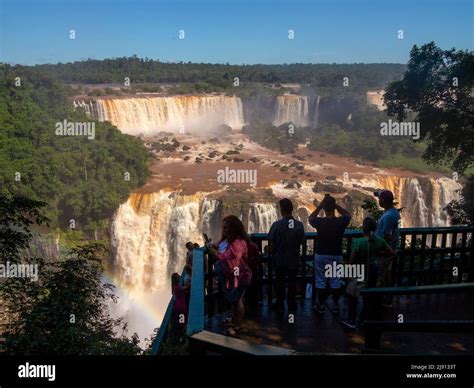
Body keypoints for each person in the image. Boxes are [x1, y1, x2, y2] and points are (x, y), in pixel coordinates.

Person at [342, 217, 394, 329]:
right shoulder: (380, 241)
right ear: (375, 229)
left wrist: (346, 271)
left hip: (359, 270)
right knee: (368, 295)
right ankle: (363, 319)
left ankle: (351, 320)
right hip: (373, 269)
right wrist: (379, 255)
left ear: (363, 229)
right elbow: (391, 252)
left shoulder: (358, 242)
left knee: (353, 295)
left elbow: (351, 261)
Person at [208, 215, 252, 336]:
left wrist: (214, 253)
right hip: (230, 278)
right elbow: (219, 245)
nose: (225, 230)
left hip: (240, 277)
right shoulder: (226, 240)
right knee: (233, 300)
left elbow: (226, 258)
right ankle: (234, 320)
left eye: (227, 228)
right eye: (224, 228)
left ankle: (238, 326)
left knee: (237, 301)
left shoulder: (238, 243)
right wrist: (213, 246)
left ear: (234, 228)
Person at [309, 194, 351, 314]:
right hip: (336, 255)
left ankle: (320, 305)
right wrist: (336, 205)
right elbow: (348, 215)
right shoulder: (341, 222)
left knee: (321, 281)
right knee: (335, 281)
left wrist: (320, 206)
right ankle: (336, 305)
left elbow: (311, 217)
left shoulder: (319, 222)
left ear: (324, 208)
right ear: (333, 207)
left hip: (321, 254)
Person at [268, 198, 305, 312]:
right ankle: (292, 303)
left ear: (281, 210)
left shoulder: (276, 225)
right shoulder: (299, 225)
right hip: (294, 259)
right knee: (292, 282)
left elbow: (272, 244)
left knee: (280, 282)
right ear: (292, 210)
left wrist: (272, 255)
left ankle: (280, 303)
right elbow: (302, 242)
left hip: (279, 259)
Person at [374, 189, 400, 305]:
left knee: (380, 275)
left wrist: (377, 247)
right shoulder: (393, 212)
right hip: (389, 250)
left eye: (379, 198)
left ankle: (379, 301)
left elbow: (386, 236)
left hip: (385, 252)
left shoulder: (388, 216)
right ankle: (386, 298)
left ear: (383, 201)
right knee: (387, 274)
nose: (378, 200)